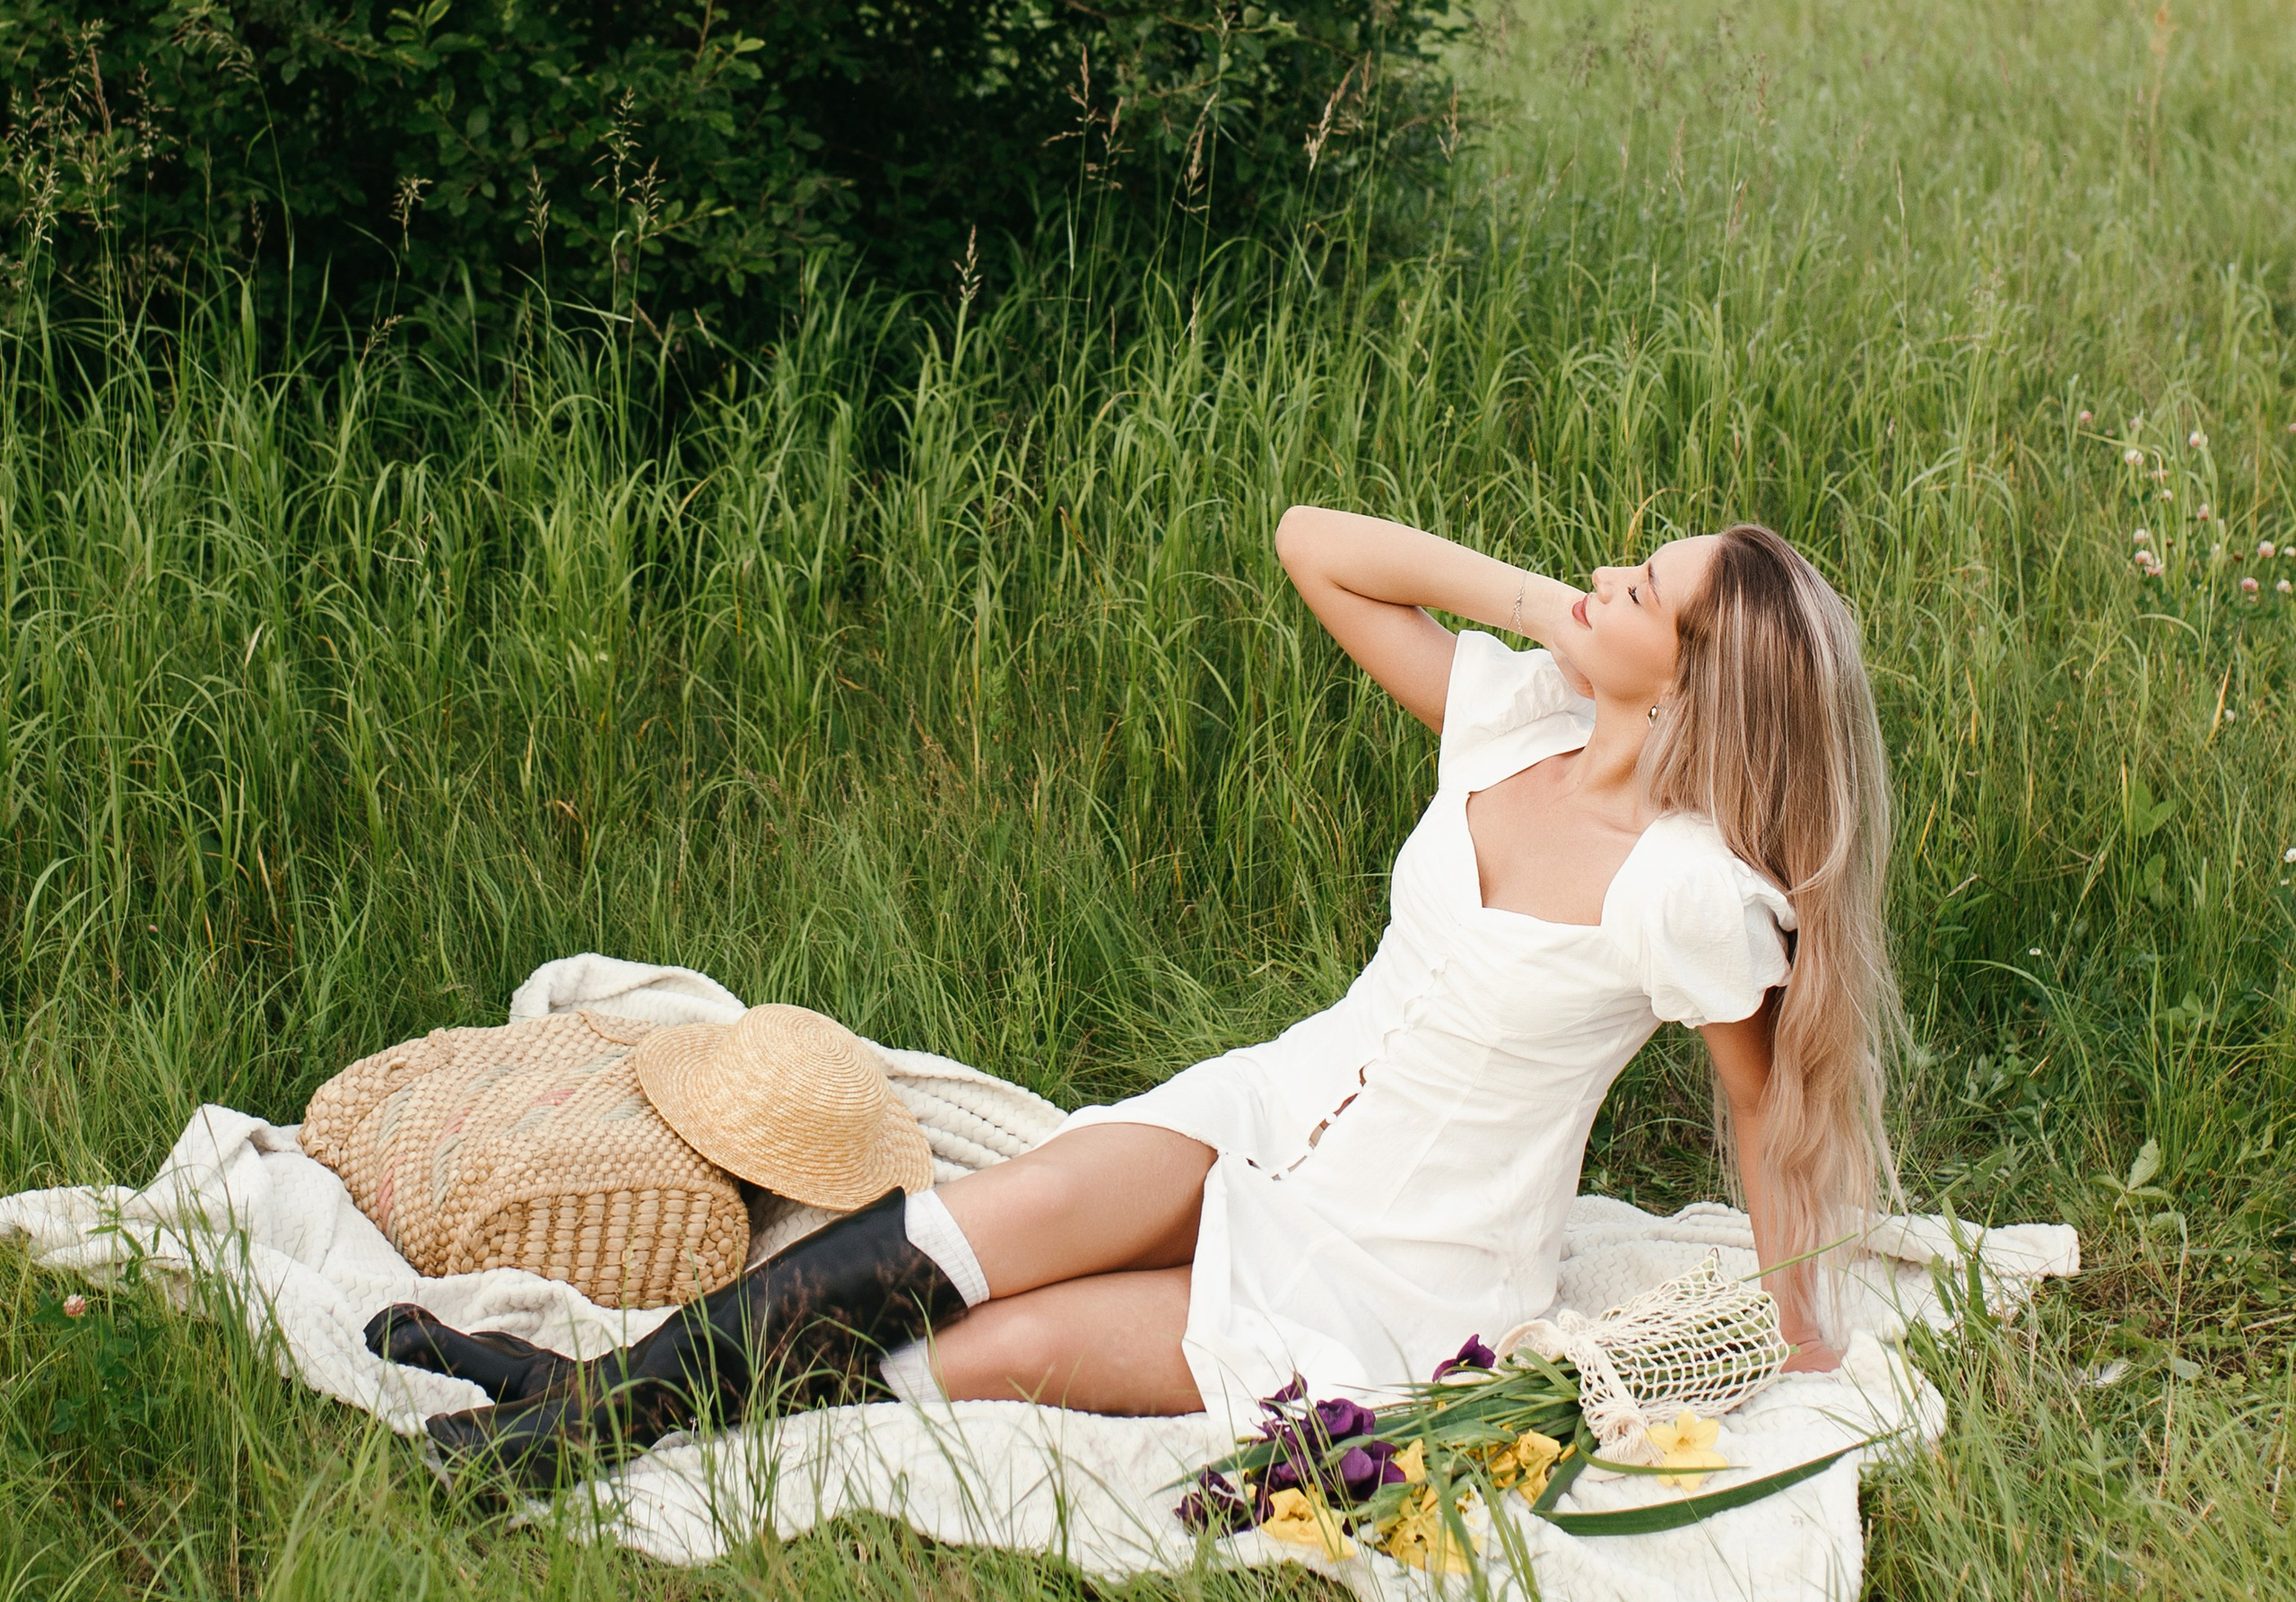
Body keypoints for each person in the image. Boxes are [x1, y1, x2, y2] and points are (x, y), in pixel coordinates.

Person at [400, 510, 1900, 1491]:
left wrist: (1798, 1321)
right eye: (1636, 561)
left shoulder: (1686, 893)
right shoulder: (1518, 717)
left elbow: (1764, 1104)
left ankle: (588, 1420)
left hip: (1400, 1258)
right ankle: (584, 1405)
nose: (1614, 571)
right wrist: (1552, 610)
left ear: (1697, 682)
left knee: (989, 1352)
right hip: (1271, 1104)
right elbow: (1315, 546)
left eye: (1649, 591)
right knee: (990, 1221)